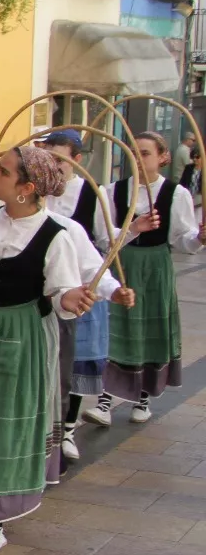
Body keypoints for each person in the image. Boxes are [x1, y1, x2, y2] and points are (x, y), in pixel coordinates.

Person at [0, 147, 94, 555]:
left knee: (4, 418)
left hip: (21, 332)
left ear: (27, 187)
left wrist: (71, 298)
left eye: (4, 172)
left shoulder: (55, 236)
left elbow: (59, 294)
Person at [90, 131, 205, 425]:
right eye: (133, 153)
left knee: (147, 330)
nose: (138, 160)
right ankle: (104, 400)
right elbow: (104, 240)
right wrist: (134, 228)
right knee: (115, 329)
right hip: (122, 265)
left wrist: (200, 239)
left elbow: (183, 239)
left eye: (145, 153)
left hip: (155, 268)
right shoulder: (112, 191)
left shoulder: (175, 194)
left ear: (163, 157)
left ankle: (143, 397)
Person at [42, 130, 129, 460]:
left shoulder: (93, 194)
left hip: (79, 288)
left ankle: (67, 429)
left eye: (60, 160)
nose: (54, 166)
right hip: (44, 291)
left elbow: (105, 242)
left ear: (76, 161)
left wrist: (111, 287)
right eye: (48, 158)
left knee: (75, 361)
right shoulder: (37, 192)